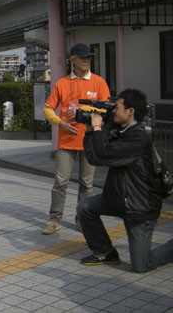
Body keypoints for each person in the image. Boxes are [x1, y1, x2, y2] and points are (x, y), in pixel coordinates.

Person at [78, 89, 173, 272]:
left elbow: (105, 154)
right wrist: (90, 132)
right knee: (85, 207)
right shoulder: (119, 131)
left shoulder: (138, 138)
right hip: (119, 199)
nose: (113, 110)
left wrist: (97, 128)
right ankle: (105, 252)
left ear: (130, 111)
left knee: (141, 266)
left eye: (118, 107)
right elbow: (95, 158)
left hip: (139, 208)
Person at [42, 43, 110, 234]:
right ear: (73, 60)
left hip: (90, 141)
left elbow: (105, 109)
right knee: (60, 181)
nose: (87, 60)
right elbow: (48, 108)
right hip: (66, 141)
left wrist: (83, 111)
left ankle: (82, 219)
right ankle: (54, 220)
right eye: (83, 57)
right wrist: (60, 123)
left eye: (89, 57)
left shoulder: (99, 82)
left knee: (86, 184)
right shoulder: (62, 83)